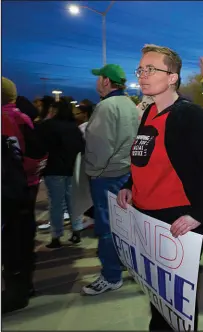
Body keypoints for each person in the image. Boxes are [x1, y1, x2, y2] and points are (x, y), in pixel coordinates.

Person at [116, 44, 203, 331]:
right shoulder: (148, 114)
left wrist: (198, 214)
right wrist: (129, 185)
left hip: (177, 222)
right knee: (157, 293)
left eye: (151, 69)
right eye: (140, 69)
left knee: (177, 300)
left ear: (173, 77)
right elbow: (144, 159)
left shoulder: (190, 116)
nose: (143, 75)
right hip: (146, 219)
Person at [82, 64, 139, 295]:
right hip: (126, 174)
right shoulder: (131, 105)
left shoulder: (106, 106)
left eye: (99, 78)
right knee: (124, 225)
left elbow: (98, 146)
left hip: (107, 175)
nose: (97, 82)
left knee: (107, 228)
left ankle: (111, 275)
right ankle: (125, 265)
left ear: (106, 82)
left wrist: (93, 171)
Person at [1, 77, 47, 313]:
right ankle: (24, 285)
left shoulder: (5, 120)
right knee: (22, 238)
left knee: (11, 242)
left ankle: (16, 292)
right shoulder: (22, 117)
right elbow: (36, 153)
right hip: (25, 186)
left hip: (11, 189)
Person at [37, 99, 85, 247]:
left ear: (55, 110)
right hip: (71, 169)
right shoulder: (74, 127)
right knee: (72, 202)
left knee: (56, 204)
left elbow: (40, 145)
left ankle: (56, 236)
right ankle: (76, 231)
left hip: (53, 169)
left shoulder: (48, 126)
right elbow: (81, 147)